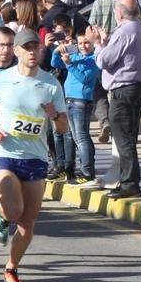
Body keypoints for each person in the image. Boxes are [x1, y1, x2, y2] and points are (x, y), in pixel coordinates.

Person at [0, 28, 66, 282]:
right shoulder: (3, 79)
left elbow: (63, 128)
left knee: (28, 223)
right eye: (26, 47)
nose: (31, 52)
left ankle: (11, 269)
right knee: (13, 209)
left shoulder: (51, 83)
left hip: (35, 158)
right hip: (6, 153)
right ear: (16, 51)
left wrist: (55, 116)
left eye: (35, 47)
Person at [94, 0, 141, 199]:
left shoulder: (125, 31)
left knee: (124, 139)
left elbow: (104, 61)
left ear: (119, 13)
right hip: (140, 86)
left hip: (125, 88)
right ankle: (127, 180)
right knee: (129, 136)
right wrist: (105, 42)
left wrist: (98, 45)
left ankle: (130, 183)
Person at [52, 27, 101, 182]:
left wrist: (70, 64)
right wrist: (58, 51)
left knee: (81, 137)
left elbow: (84, 78)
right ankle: (74, 168)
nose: (83, 46)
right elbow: (54, 63)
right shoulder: (75, 55)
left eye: (87, 43)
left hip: (81, 101)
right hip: (68, 100)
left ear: (93, 43)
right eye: (80, 43)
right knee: (72, 136)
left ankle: (87, 171)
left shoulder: (95, 58)